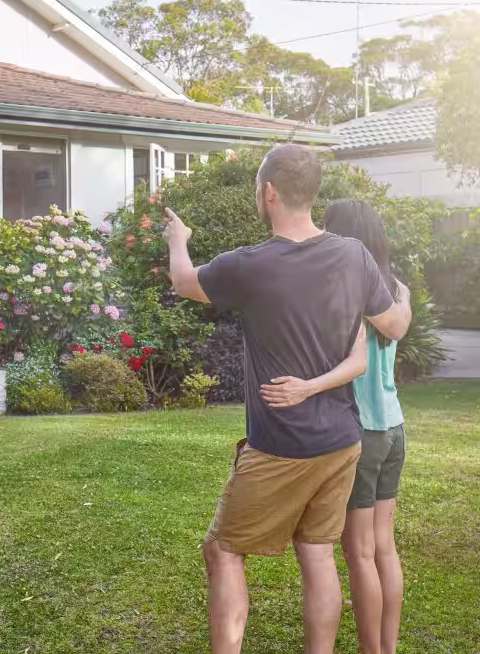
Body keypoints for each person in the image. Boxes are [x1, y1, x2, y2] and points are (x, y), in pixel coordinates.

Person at [163, 144, 412, 654]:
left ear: (270, 192)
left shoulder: (250, 264)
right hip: (343, 442)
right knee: (318, 551)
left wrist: (178, 239)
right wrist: (400, 299)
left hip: (280, 445)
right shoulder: (355, 255)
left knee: (224, 549)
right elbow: (390, 324)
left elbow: (184, 282)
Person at [323, 199, 409, 654]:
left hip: (362, 432)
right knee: (383, 548)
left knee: (358, 553)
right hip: (394, 428)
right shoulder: (395, 289)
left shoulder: (348, 290)